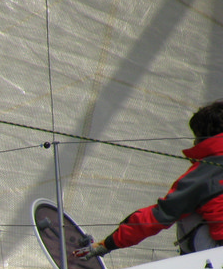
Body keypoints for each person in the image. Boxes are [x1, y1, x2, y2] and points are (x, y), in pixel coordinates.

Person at [77, 99, 223, 260]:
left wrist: (107, 244)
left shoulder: (205, 173)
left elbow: (158, 216)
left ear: (204, 137)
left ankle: (194, 263)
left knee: (185, 210)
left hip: (217, 253)